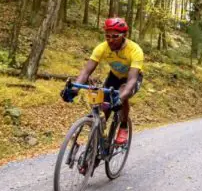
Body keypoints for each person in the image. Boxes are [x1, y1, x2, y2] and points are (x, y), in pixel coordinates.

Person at [61, 17, 143, 145]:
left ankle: (123, 126)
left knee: (122, 93)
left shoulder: (135, 50)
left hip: (132, 78)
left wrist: (120, 98)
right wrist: (74, 89)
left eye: (115, 36)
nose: (110, 40)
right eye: (107, 36)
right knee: (105, 103)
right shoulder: (102, 48)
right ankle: (101, 135)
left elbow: (132, 80)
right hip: (114, 76)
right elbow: (86, 71)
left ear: (124, 35)